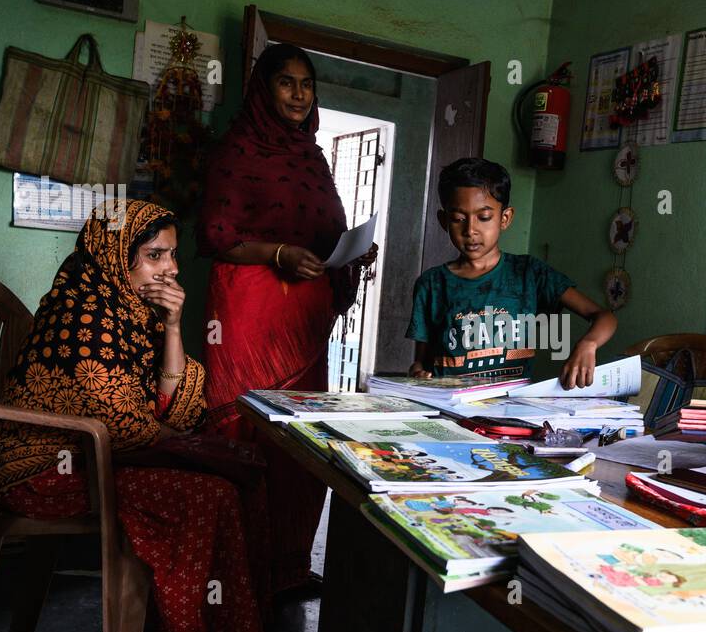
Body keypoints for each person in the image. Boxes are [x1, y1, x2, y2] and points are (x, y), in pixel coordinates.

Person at [0, 200, 266, 632]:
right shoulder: (79, 315)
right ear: (115, 256)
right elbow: (125, 426)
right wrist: (190, 451)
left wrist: (174, 328)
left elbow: (177, 412)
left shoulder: (135, 312)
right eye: (155, 256)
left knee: (222, 487)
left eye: (173, 255)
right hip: (46, 469)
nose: (172, 270)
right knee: (204, 494)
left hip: (104, 459)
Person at [198, 42, 376, 596]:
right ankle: (233, 571)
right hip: (251, 305)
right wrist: (277, 254)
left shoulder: (310, 155)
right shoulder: (238, 149)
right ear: (263, 89)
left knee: (300, 438)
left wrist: (349, 253)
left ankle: (286, 567)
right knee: (246, 427)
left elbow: (322, 233)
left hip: (304, 314)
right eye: (286, 83)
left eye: (307, 84)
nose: (299, 94)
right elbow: (216, 236)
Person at [407, 157, 616, 387]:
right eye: (458, 219)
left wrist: (588, 344)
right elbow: (420, 363)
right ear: (444, 220)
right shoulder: (431, 284)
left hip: (509, 409)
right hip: (448, 407)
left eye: (484, 217)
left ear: (504, 218)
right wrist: (418, 373)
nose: (471, 230)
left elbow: (604, 317)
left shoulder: (530, 273)